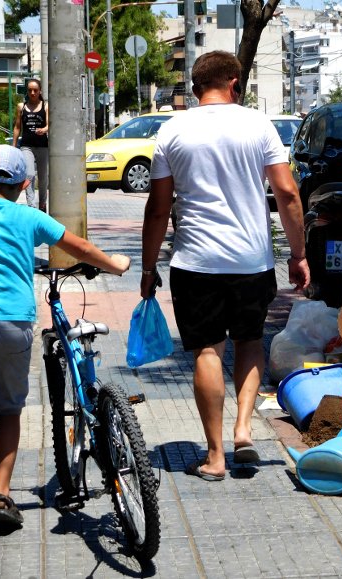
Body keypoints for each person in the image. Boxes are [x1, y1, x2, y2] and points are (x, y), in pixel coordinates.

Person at [0, 145, 131, 543]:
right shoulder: (29, 216)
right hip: (14, 324)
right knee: (8, 410)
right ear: (24, 184)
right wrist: (116, 264)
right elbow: (79, 247)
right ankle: (2, 496)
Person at [140, 51, 310, 481]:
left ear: (196, 89)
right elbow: (287, 194)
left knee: (208, 351)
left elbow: (158, 208)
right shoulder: (258, 124)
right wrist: (298, 253)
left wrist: (146, 267)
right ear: (235, 82)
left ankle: (214, 456)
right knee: (250, 341)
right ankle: (243, 430)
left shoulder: (173, 130)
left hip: (195, 262)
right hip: (251, 259)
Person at [12, 78, 49, 212]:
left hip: (42, 145)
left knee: (43, 177)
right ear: (27, 92)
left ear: (40, 91)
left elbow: (49, 124)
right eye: (30, 90)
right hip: (26, 145)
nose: (32, 93)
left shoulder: (45, 106)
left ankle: (42, 204)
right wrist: (14, 146)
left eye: (35, 90)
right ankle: (32, 206)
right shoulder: (21, 107)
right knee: (29, 174)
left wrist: (44, 130)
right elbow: (17, 127)